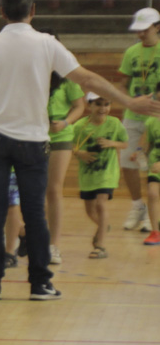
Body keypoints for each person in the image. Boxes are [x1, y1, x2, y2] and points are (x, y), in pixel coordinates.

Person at [0, 0, 160, 300]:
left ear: (2, 12)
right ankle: (40, 283)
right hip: (32, 142)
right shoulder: (46, 43)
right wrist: (129, 101)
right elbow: (89, 80)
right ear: (33, 10)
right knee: (35, 214)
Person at [43, 30, 87, 265]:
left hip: (60, 136)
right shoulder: (33, 73)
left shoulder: (67, 77)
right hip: (35, 135)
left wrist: (65, 122)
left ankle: (54, 245)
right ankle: (32, 239)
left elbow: (79, 106)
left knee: (53, 189)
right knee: (33, 191)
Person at [117, 7, 160, 234]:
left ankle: (155, 212)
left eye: (145, 29)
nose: (141, 34)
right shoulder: (131, 52)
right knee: (127, 161)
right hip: (133, 116)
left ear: (157, 27)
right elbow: (123, 84)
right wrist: (127, 102)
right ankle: (137, 206)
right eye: (138, 30)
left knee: (155, 164)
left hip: (157, 117)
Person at [72, 93, 128, 259]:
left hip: (107, 173)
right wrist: (80, 153)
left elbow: (124, 143)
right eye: (98, 104)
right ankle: (103, 226)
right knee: (90, 210)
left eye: (106, 104)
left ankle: (101, 246)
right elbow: (71, 147)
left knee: (101, 204)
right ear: (90, 105)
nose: (103, 108)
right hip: (88, 175)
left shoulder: (115, 123)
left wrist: (112, 143)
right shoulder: (80, 126)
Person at [144, 107, 160, 245]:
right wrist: (140, 154)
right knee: (152, 193)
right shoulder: (151, 121)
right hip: (155, 166)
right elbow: (148, 144)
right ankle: (155, 232)